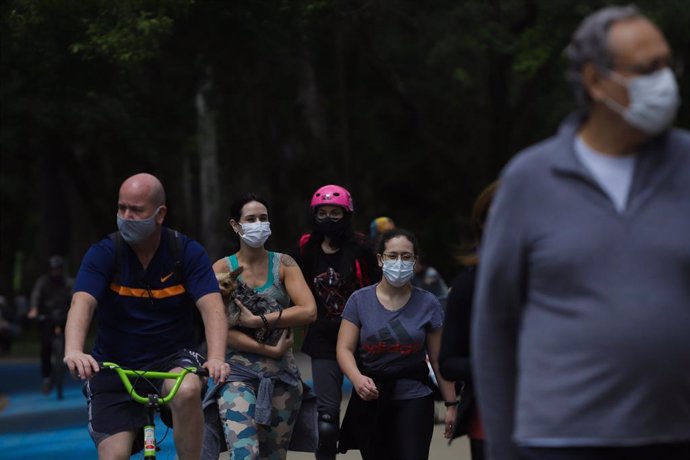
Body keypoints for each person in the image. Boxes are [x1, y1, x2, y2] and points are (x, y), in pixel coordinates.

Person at [472, 6, 690, 460]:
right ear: (594, 80)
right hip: (558, 442)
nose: (666, 81)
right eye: (648, 69)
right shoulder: (530, 180)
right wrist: (504, 449)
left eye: (668, 64)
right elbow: (494, 325)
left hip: (674, 435)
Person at [63, 173, 230, 460]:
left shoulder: (186, 252)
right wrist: (73, 350)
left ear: (160, 214)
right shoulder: (104, 252)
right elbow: (82, 303)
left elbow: (212, 307)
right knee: (114, 456)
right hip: (114, 365)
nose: (126, 216)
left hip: (171, 359)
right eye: (121, 208)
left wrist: (216, 357)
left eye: (136, 210)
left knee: (189, 388)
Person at [202, 193, 317, 459]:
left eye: (263, 218)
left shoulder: (284, 264)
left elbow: (309, 311)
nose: (258, 224)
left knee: (273, 456)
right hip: (237, 375)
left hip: (282, 378)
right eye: (251, 219)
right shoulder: (221, 269)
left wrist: (257, 321)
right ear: (236, 225)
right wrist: (270, 350)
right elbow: (221, 331)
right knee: (245, 453)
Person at [336, 228, 457, 459]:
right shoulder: (359, 301)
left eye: (406, 256)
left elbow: (439, 360)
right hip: (372, 400)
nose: (399, 262)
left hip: (415, 399)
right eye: (392, 256)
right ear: (381, 260)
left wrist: (452, 404)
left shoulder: (428, 303)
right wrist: (357, 378)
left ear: (415, 261)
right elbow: (344, 348)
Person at [292, 184, 379, 460]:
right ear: (314, 216)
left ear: (347, 214)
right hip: (323, 338)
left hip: (362, 336)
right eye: (322, 213)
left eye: (335, 213)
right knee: (326, 422)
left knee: (371, 411)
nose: (328, 219)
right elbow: (291, 283)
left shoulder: (361, 247)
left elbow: (379, 287)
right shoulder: (307, 248)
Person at [439, 181, 498, 460]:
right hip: (490, 418)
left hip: (553, 419)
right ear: (482, 224)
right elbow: (449, 362)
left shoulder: (551, 280)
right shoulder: (468, 285)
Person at [28, 255, 73, 393]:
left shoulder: (68, 282)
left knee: (67, 343)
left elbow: (75, 297)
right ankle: (47, 377)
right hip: (47, 317)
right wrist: (34, 310)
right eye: (53, 269)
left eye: (58, 269)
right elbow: (36, 295)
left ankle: (63, 364)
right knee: (45, 347)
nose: (56, 272)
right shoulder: (43, 282)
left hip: (64, 316)